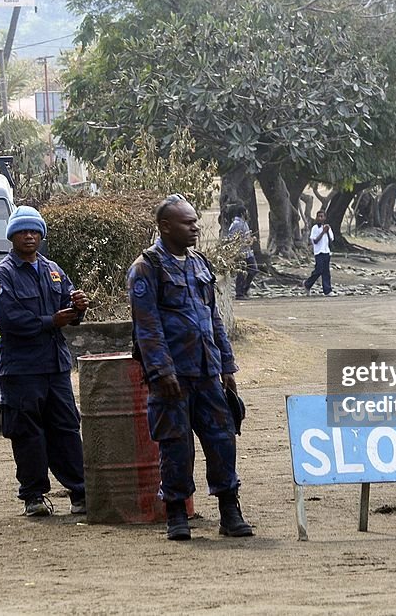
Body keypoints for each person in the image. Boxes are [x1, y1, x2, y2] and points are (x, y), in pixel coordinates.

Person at [128, 194, 253, 541]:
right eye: (187, 222)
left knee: (222, 440)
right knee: (176, 446)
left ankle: (230, 510)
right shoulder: (147, 267)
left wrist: (226, 366)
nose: (195, 226)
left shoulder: (200, 264)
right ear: (165, 227)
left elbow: (214, 320)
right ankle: (176, 515)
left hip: (207, 373)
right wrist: (161, 371)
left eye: (196, 220)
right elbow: (147, 325)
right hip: (172, 378)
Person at [0, 206, 89, 518]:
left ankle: (80, 493)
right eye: (22, 231)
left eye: (34, 231)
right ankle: (33, 496)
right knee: (27, 433)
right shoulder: (2, 275)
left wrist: (78, 307)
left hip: (55, 366)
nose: (29, 236)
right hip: (21, 369)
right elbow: (10, 319)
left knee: (67, 428)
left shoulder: (53, 270)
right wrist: (51, 320)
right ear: (12, 237)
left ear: (41, 235)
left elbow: (67, 307)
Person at [227, 206, 258, 299]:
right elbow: (233, 239)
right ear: (242, 213)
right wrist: (247, 242)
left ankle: (244, 290)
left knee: (253, 270)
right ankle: (239, 293)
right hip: (241, 253)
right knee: (241, 273)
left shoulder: (243, 223)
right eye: (246, 212)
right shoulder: (237, 224)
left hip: (247, 252)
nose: (248, 214)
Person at [304, 210, 336, 296]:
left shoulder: (327, 227)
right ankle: (307, 284)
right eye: (319, 216)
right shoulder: (315, 228)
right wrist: (323, 232)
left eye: (322, 216)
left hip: (326, 251)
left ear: (325, 218)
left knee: (326, 271)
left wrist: (327, 231)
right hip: (318, 252)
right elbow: (315, 241)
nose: (320, 218)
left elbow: (331, 240)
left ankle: (328, 290)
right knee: (319, 269)